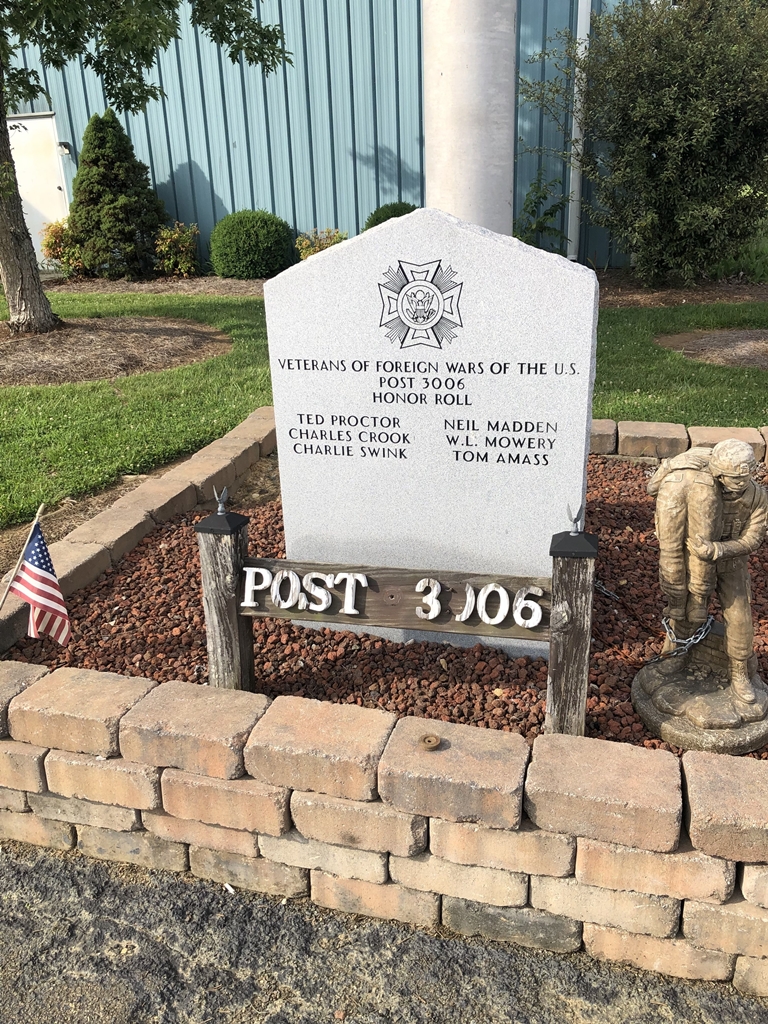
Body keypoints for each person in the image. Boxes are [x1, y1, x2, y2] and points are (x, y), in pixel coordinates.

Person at [649, 439, 768, 704]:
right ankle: (677, 653)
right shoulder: (701, 480)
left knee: (739, 618)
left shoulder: (758, 498)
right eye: (732, 478)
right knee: (687, 602)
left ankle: (739, 673)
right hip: (694, 557)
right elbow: (652, 488)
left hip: (730, 563)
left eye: (744, 477)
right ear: (718, 472)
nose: (738, 484)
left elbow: (753, 539)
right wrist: (671, 464)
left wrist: (717, 550)